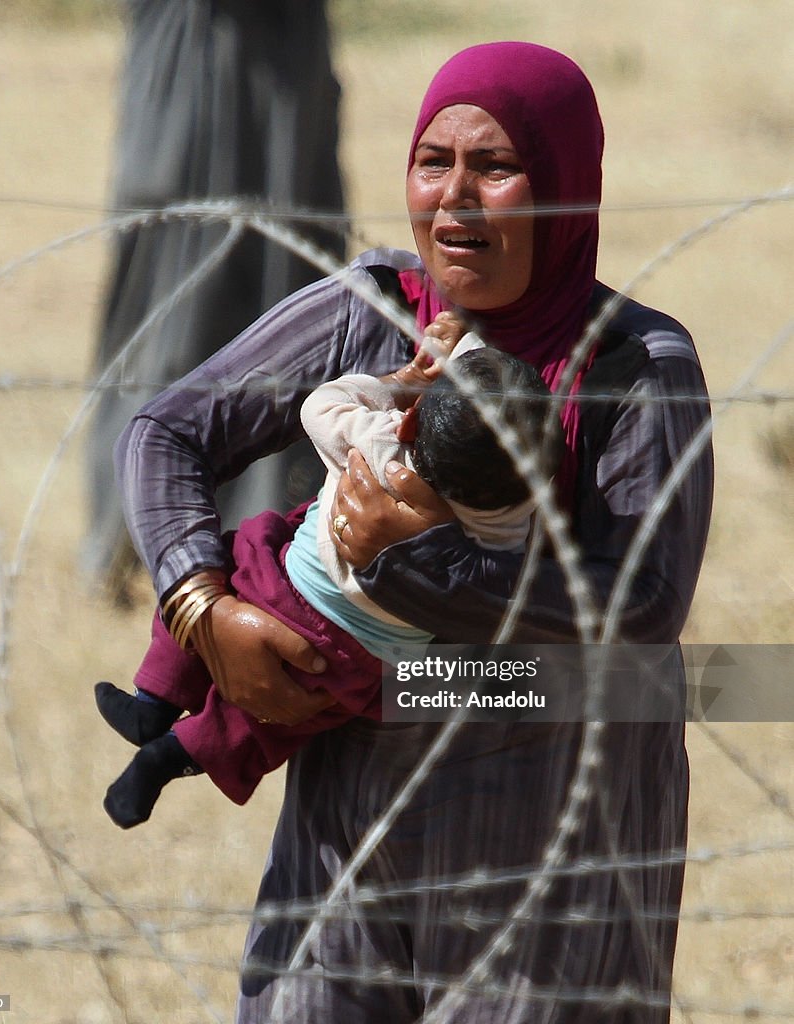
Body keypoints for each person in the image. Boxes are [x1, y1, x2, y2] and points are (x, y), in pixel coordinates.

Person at [112, 41, 713, 1024]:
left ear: (565, 187)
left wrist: (408, 552)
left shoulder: (631, 366)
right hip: (351, 815)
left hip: (550, 834)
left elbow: (638, 607)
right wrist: (201, 607)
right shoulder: (370, 315)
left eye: (496, 167)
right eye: (433, 161)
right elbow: (165, 429)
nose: (454, 199)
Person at [96, 311, 565, 824]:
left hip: (282, 587)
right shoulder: (509, 516)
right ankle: (167, 758)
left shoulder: (382, 443)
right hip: (364, 663)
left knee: (217, 561)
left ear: (410, 420)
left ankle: (153, 700)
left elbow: (321, 406)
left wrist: (403, 382)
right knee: (270, 724)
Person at [82, 0, 345, 599]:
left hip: (284, 69)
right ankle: (134, 530)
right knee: (171, 311)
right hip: (189, 63)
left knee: (292, 302)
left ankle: (273, 532)